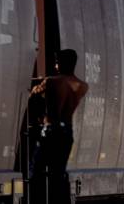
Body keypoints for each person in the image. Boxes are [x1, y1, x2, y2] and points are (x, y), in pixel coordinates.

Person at [30, 49, 88, 204]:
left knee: (35, 172)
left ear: (61, 63)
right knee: (58, 173)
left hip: (50, 130)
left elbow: (34, 94)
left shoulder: (51, 81)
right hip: (67, 132)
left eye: (57, 62)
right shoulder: (82, 86)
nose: (56, 66)